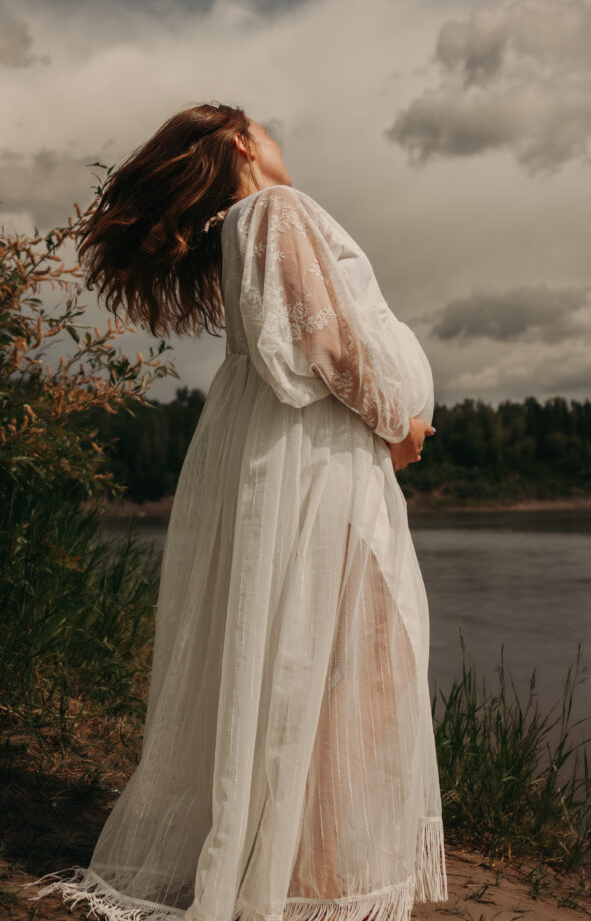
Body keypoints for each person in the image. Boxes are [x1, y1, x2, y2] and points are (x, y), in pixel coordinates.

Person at [24, 103, 447, 921]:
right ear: (242, 141)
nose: (284, 142)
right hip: (326, 452)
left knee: (333, 654)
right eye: (270, 128)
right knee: (369, 656)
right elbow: (321, 342)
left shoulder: (253, 222)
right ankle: (312, 873)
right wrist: (399, 423)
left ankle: (300, 860)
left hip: (322, 451)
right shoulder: (270, 209)